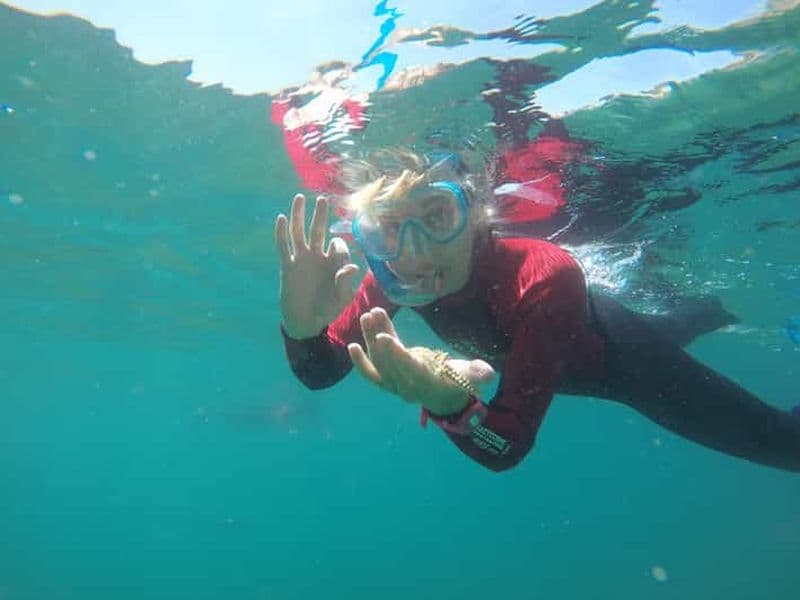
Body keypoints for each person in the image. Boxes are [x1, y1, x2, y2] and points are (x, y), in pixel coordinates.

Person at [275, 147, 800, 473]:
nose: (414, 252)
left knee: (786, 446)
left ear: (478, 215)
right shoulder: (394, 278)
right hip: (569, 342)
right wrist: (298, 325)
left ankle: (719, 308)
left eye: (437, 217)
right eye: (386, 229)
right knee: (680, 322)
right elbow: (320, 371)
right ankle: (712, 309)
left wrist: (445, 402)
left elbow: (505, 446)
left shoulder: (546, 276)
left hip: (625, 364)